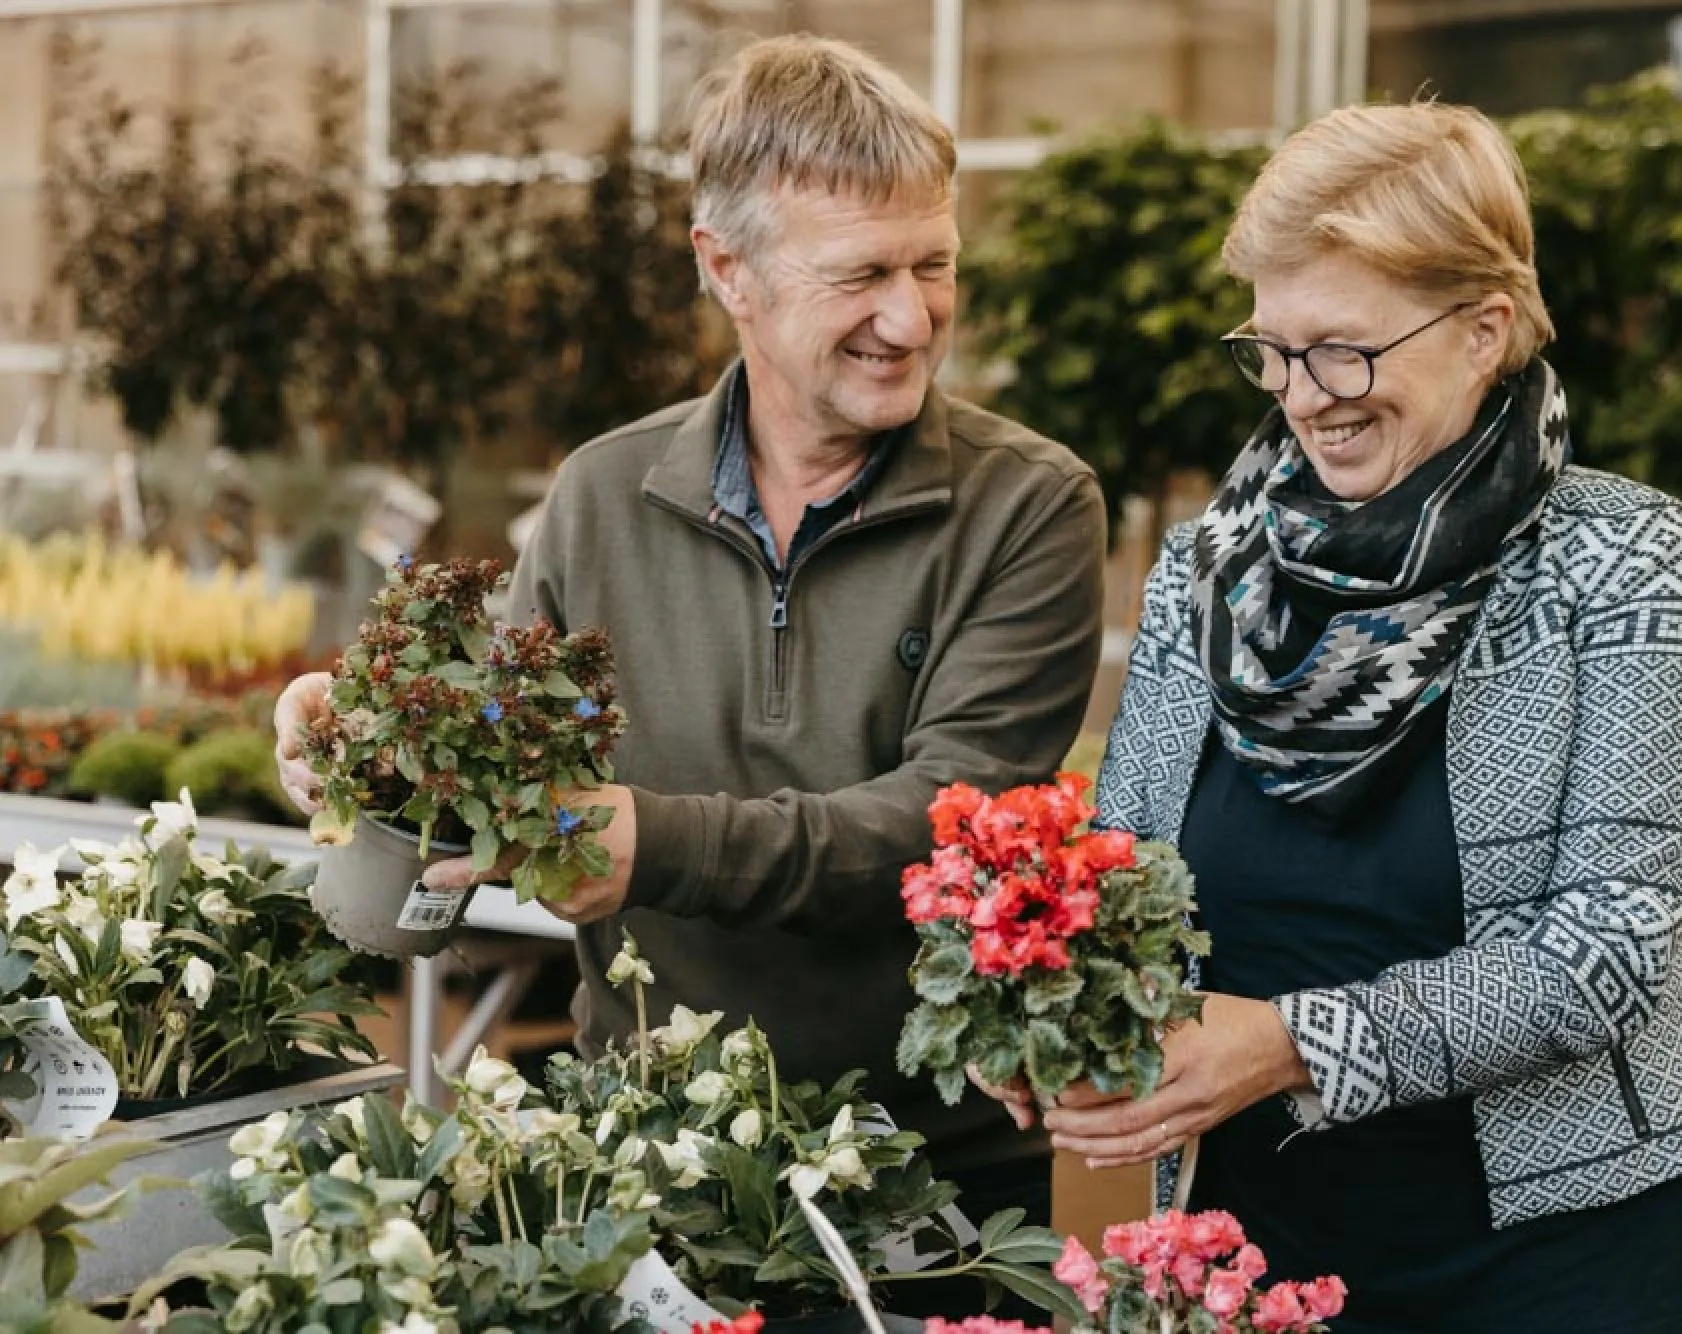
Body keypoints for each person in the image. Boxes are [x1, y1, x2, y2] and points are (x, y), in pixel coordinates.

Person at [274, 34, 1106, 1244]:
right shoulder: (603, 494)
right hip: (643, 1165)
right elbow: (494, 771)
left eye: (934, 264)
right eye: (860, 272)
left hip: (929, 1193)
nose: (909, 315)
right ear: (729, 269)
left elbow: (947, 834)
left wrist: (651, 842)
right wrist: (354, 747)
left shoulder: (1027, 505)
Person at [991, 101, 1682, 1332]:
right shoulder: (1208, 567)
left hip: (1558, 1260)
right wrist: (1042, 1011)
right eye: (1273, 352)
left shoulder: (1619, 557)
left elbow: (1604, 947)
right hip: (1256, 1253)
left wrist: (1289, 1043)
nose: (1303, 397)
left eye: (1344, 350)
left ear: (1482, 328)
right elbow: (1114, 875)